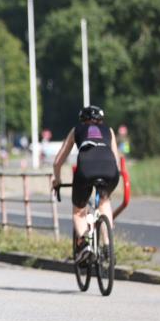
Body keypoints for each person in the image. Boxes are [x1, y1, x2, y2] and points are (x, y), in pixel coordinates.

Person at [51, 105, 122, 262]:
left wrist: (57, 180)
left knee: (79, 211)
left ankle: (84, 246)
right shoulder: (108, 131)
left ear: (82, 120)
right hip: (110, 170)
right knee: (104, 202)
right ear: (101, 120)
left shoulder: (77, 129)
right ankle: (108, 247)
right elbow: (116, 159)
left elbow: (57, 162)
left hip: (86, 169)